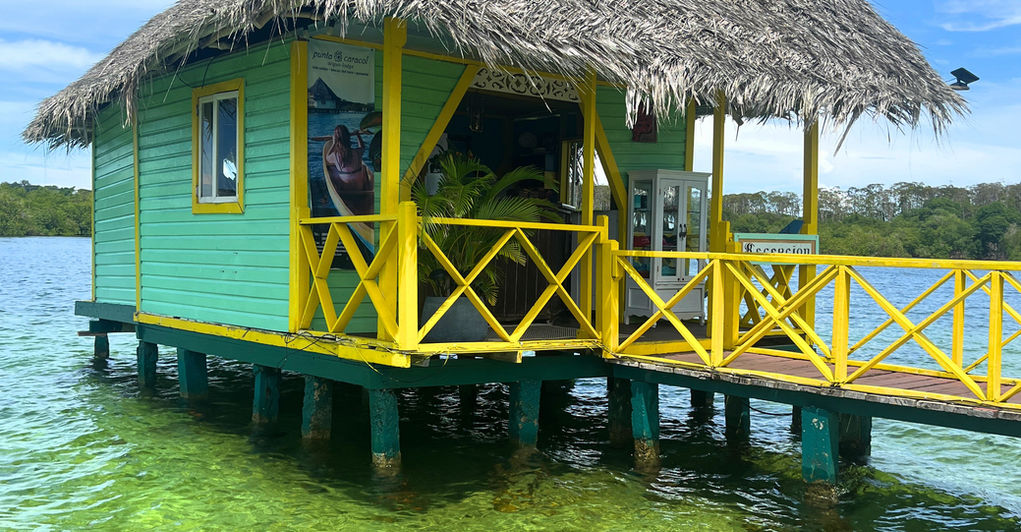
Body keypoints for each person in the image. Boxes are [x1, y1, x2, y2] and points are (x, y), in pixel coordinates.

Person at [325, 125, 372, 192]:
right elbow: (362, 148)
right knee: (364, 167)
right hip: (359, 186)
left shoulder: (335, 155)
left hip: (345, 187)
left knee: (332, 169)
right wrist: (358, 135)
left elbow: (327, 158)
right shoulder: (356, 152)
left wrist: (334, 144)